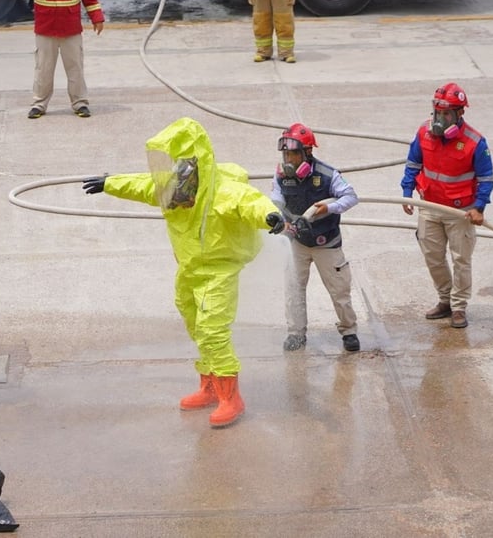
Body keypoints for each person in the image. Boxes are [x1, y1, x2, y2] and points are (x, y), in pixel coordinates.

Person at [81, 117, 284, 428]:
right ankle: (210, 387)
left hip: (219, 270)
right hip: (190, 268)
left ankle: (232, 397)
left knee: (212, 330)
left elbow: (251, 202)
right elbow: (140, 185)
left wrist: (270, 216)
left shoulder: (222, 192)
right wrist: (109, 183)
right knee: (194, 322)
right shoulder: (173, 188)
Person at [401, 83, 493, 329]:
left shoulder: (475, 142)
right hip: (430, 206)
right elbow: (413, 163)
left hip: (460, 212)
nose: (440, 119)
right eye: (437, 113)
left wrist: (479, 207)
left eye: (446, 114)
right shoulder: (424, 133)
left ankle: (459, 306)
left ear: (459, 114)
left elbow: (486, 179)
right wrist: (406, 191)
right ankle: (445, 300)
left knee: (461, 259)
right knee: (432, 256)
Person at [269, 123, 362, 353]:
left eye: (292, 153)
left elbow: (351, 197)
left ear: (307, 152)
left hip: (326, 242)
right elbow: (276, 200)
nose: (288, 159)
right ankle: (296, 334)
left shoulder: (328, 175)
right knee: (293, 288)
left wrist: (327, 209)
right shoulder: (281, 176)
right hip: (297, 242)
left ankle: (349, 331)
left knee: (339, 290)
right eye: (286, 153)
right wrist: (279, 219)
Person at [12, 0, 105, 119]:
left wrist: (97, 17)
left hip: (70, 31)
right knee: (43, 69)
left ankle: (80, 103)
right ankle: (39, 104)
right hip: (46, 31)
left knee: (75, 68)